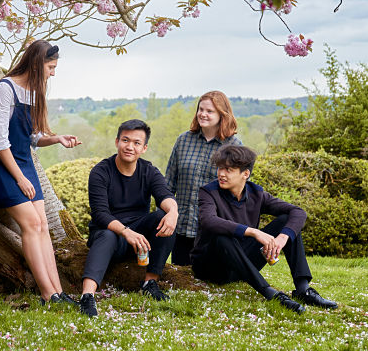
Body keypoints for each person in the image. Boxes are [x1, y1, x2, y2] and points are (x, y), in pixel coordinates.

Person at [0, 40, 80, 305]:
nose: (53, 73)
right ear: (37, 64)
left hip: (24, 161)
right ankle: (48, 294)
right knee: (32, 224)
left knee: (43, 224)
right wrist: (20, 179)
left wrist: (56, 138)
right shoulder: (4, 89)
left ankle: (58, 291)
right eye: (51, 67)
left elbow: (32, 137)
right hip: (2, 165)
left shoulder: (34, 92)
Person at [191, 145, 338, 313]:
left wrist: (283, 238)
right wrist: (253, 231)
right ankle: (269, 292)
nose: (221, 174)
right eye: (220, 168)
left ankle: (303, 289)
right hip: (212, 266)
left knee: (287, 222)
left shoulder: (256, 193)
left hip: (241, 265)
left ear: (245, 174)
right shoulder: (209, 192)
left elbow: (298, 212)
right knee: (221, 235)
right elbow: (209, 221)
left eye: (229, 170)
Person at [79, 119, 178, 317]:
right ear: (117, 142)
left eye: (136, 143)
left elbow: (165, 196)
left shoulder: (149, 170)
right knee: (107, 235)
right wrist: (126, 231)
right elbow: (100, 213)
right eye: (125, 140)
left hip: (138, 240)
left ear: (144, 148)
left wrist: (173, 212)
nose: (130, 147)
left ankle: (149, 282)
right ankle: (87, 297)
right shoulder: (100, 171)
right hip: (109, 235)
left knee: (163, 216)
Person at [165, 91, 242, 266]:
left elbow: (237, 192)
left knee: (207, 281)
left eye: (210, 111)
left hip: (213, 229)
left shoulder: (234, 146)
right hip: (182, 226)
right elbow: (168, 183)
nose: (203, 114)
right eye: (201, 109)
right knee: (182, 279)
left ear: (222, 114)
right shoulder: (183, 140)